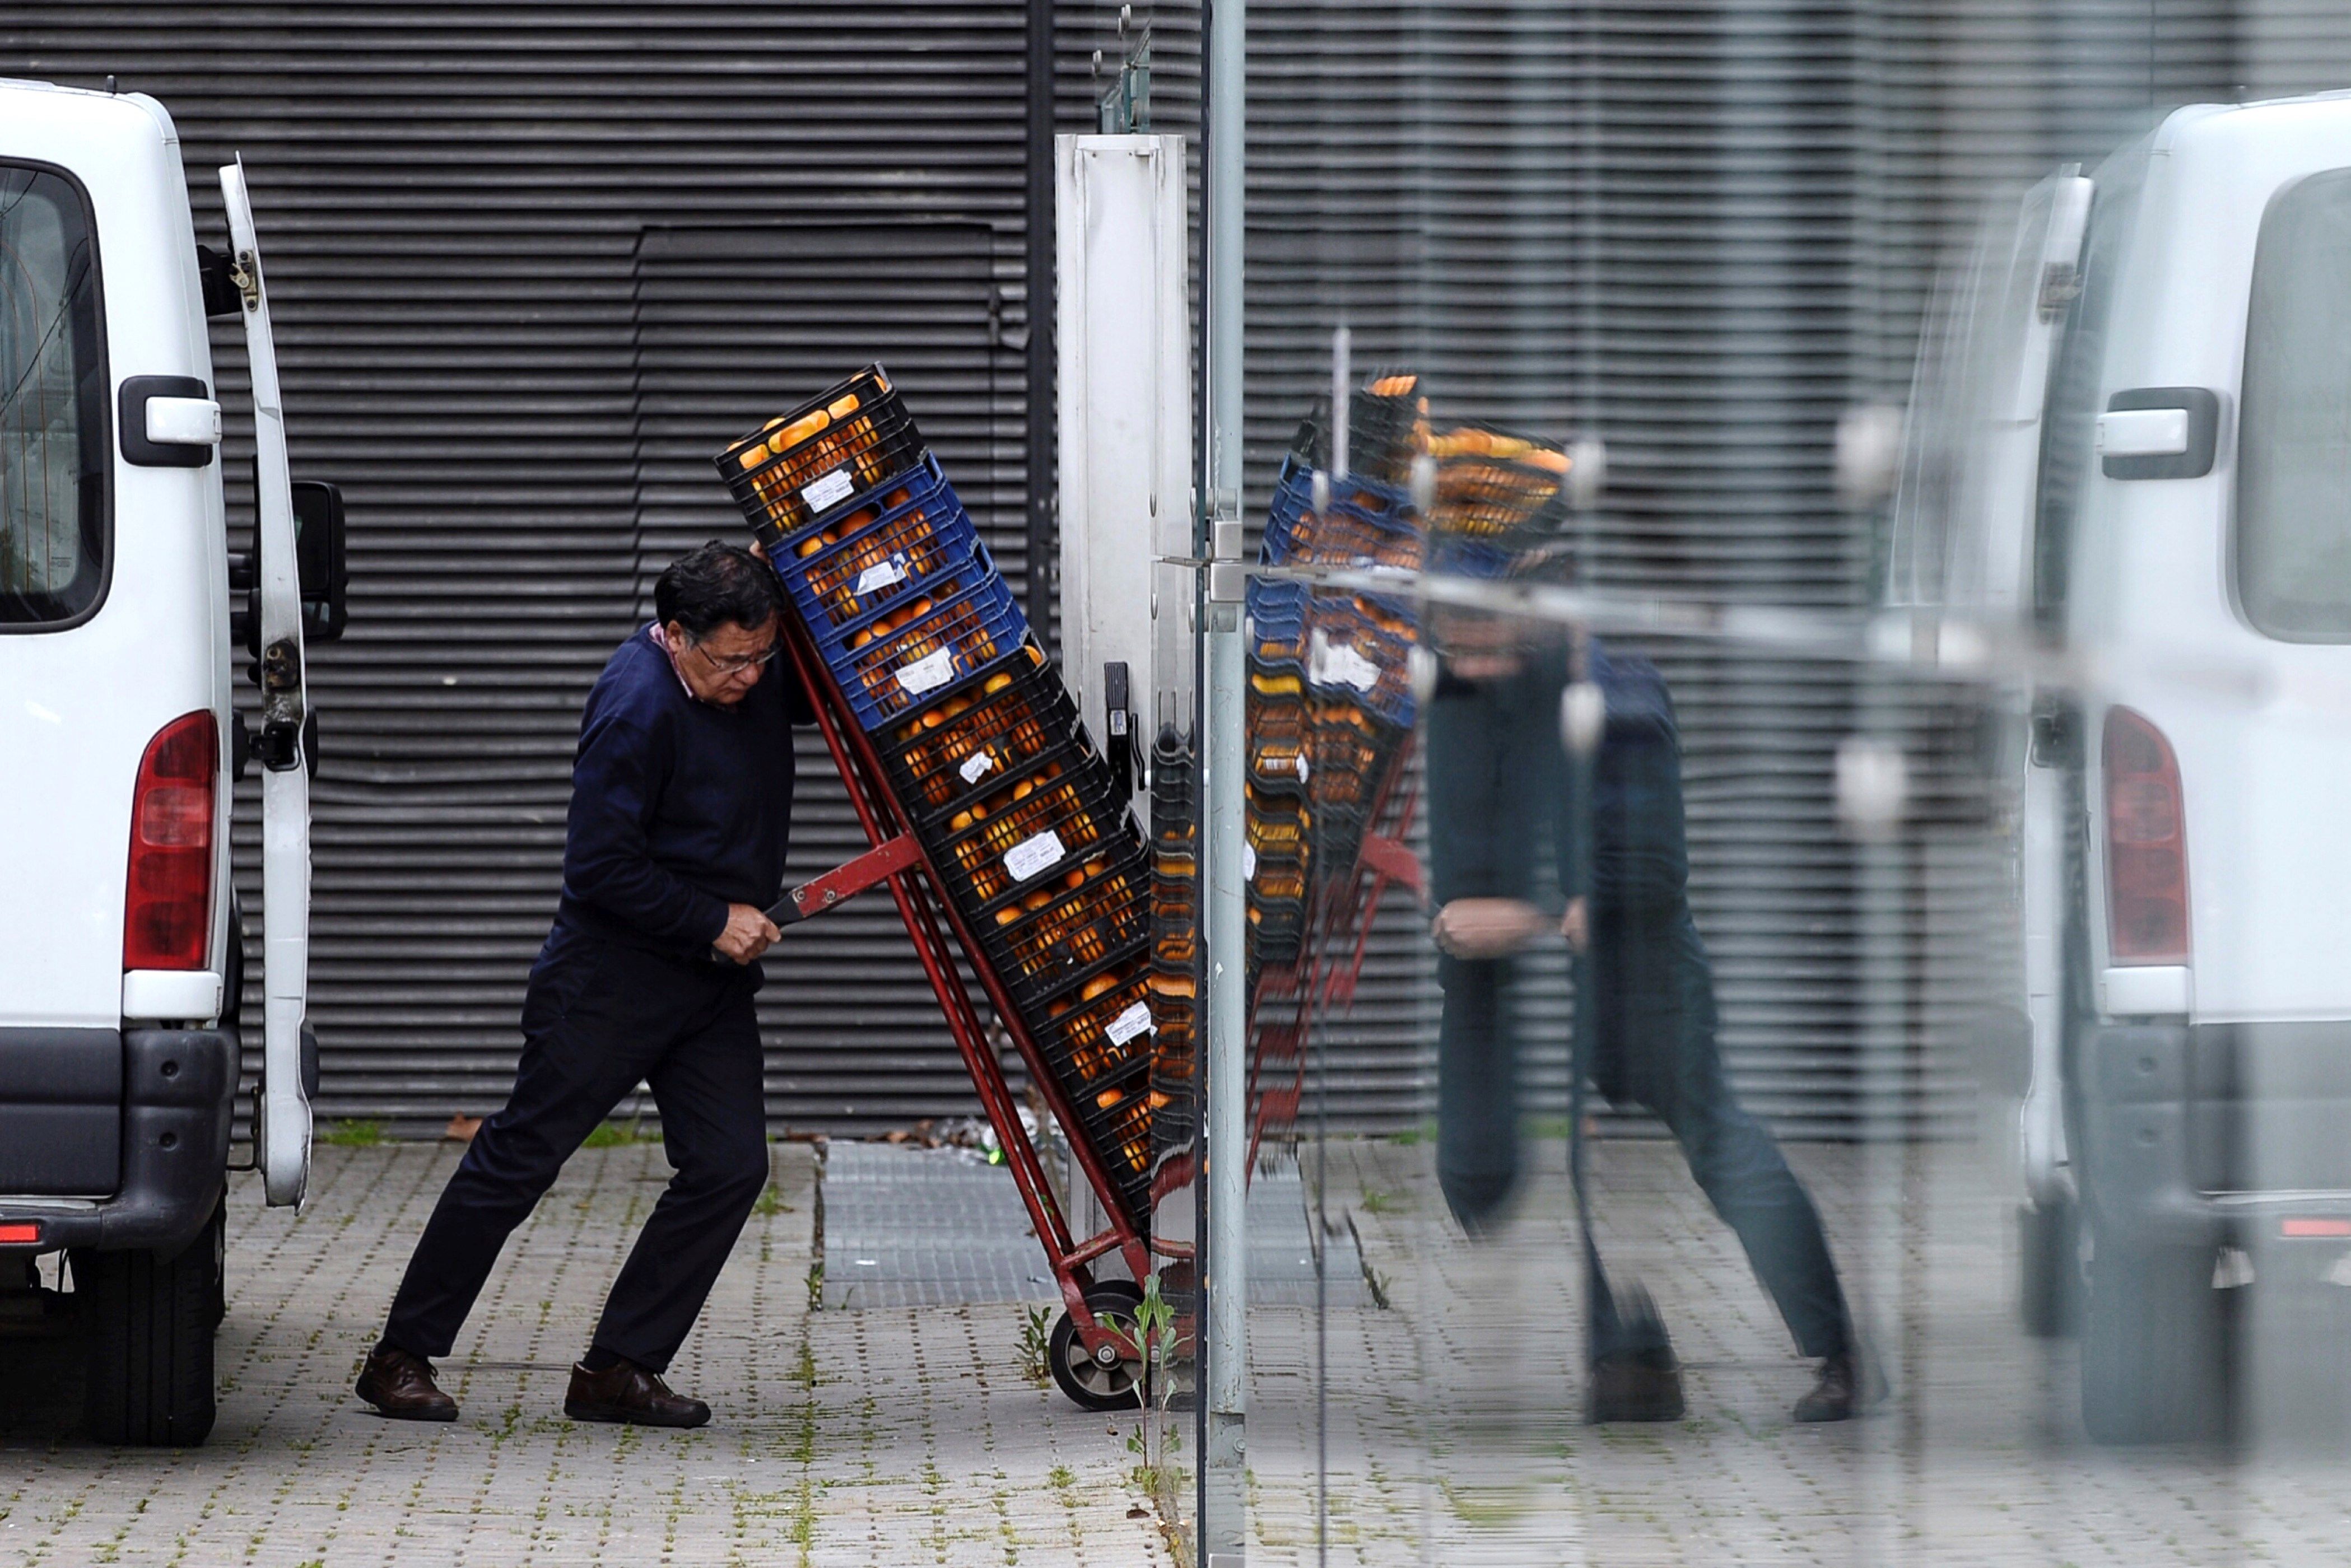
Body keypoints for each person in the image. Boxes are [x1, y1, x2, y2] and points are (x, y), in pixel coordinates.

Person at [356, 541, 813, 1429]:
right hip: (610, 977)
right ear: (675, 635)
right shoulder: (635, 705)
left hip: (706, 986)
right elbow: (601, 867)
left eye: (764, 655)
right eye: (732, 661)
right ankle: (398, 1357)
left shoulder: (749, 667)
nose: (753, 680)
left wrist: (791, 565)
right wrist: (714, 919)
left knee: (729, 1166)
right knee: (519, 1160)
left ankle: (617, 1368)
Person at [1424, 618, 1875, 1425]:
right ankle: (1631, 1363)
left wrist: (1514, 919)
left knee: (1721, 1149)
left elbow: (1646, 877)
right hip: (1577, 985)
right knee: (1576, 1170)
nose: (1470, 664)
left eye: (1480, 643)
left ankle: (1840, 1357)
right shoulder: (1508, 706)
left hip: (1650, 981)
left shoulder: (1620, 704)